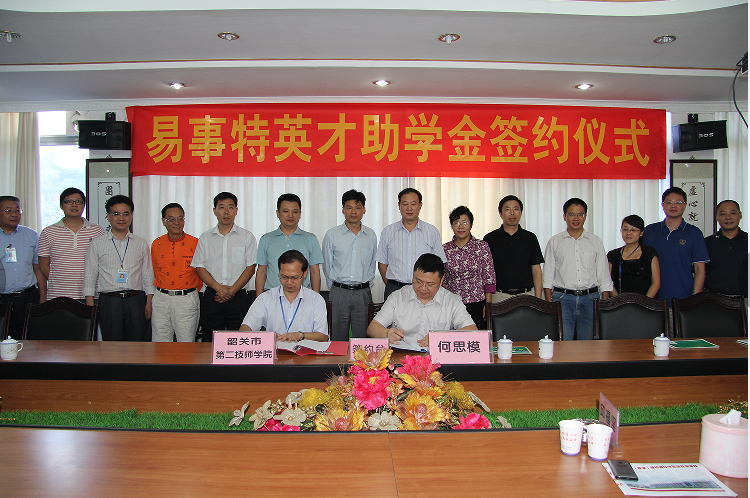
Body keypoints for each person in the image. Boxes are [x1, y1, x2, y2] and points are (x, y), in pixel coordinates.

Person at [84, 195, 155, 341]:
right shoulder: (97, 243)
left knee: (137, 344)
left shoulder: (141, 243)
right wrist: (90, 305)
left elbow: (147, 273)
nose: (121, 218)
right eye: (116, 214)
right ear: (108, 216)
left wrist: (149, 301)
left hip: (136, 300)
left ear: (131, 216)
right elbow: (90, 274)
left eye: (125, 214)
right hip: (109, 301)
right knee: (111, 345)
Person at [367, 253, 477, 347]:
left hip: (436, 358)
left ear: (441, 280)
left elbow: (472, 330)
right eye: (418, 281)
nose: (423, 288)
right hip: (402, 356)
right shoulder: (398, 297)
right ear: (413, 276)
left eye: (430, 284)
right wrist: (386, 333)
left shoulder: (452, 301)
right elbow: (372, 328)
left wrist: (441, 337)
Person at [542, 198, 612, 341]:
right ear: (564, 216)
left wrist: (603, 304)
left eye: (580, 214)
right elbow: (548, 275)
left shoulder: (595, 241)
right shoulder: (555, 241)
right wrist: (549, 302)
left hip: (590, 299)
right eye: (572, 214)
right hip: (562, 299)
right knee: (563, 342)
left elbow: (604, 275)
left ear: (585, 216)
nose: (576, 218)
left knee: (588, 344)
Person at [192, 192, 257, 342]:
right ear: (214, 211)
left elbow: (250, 268)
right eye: (221, 207)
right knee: (209, 340)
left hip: (239, 296)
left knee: (240, 340)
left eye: (230, 207)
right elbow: (199, 267)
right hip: (212, 295)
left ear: (236, 211)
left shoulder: (247, 237)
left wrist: (231, 291)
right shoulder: (205, 237)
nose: (226, 212)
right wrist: (218, 288)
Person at [321, 189, 377, 341]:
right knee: (337, 338)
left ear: (364, 210)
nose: (353, 212)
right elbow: (327, 265)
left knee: (363, 339)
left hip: (363, 293)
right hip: (339, 292)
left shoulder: (370, 235)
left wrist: (365, 286)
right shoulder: (332, 235)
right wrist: (336, 287)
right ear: (343, 210)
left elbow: (372, 264)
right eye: (349, 207)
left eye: (357, 207)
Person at [240, 250, 328, 342]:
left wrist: (301, 335)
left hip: (305, 350)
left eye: (294, 277)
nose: (289, 282)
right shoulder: (266, 298)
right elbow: (247, 327)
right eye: (284, 277)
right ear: (279, 272)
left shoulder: (316, 300)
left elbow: (323, 336)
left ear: (305, 273)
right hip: (275, 349)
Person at [376, 188, 447, 301]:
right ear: (399, 205)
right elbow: (382, 263)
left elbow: (440, 263)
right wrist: (392, 284)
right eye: (405, 204)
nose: (409, 208)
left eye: (413, 204)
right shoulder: (388, 232)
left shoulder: (432, 232)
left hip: (424, 290)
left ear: (420, 205)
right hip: (395, 289)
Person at [643, 187, 710, 302]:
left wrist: (695, 300)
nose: (673, 206)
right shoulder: (650, 231)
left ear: (685, 205)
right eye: (669, 202)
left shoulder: (694, 233)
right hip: (652, 299)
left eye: (678, 202)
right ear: (662, 205)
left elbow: (699, 269)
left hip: (684, 298)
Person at [38, 188, 104, 302]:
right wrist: (60, 281)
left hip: (92, 295)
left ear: (84, 205)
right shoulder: (48, 232)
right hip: (59, 296)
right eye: (69, 201)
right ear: (61, 206)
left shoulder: (97, 230)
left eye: (78, 201)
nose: (74, 205)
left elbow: (103, 262)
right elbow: (43, 266)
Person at [150, 203, 203, 342]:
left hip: (186, 298)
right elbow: (155, 271)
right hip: (161, 298)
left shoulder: (195, 243)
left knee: (186, 342)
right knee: (160, 342)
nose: (177, 222)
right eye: (171, 219)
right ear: (163, 221)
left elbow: (202, 272)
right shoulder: (157, 243)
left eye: (180, 218)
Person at [255, 193, 323, 295]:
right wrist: (259, 299)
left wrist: (316, 298)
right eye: (286, 211)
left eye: (295, 211)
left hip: (302, 296)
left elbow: (314, 271)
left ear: (300, 214)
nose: (290, 215)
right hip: (272, 295)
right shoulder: (266, 239)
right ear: (278, 213)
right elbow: (261, 271)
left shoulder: (310, 239)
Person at [441, 205, 496, 329]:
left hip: (477, 304)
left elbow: (489, 277)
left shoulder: (482, 246)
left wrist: (488, 304)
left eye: (465, 222)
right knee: (454, 338)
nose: (461, 226)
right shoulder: (445, 249)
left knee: (477, 338)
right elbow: (442, 279)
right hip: (452, 304)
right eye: (456, 223)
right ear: (451, 226)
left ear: (471, 224)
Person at [483, 195, 544, 301]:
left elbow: (536, 270)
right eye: (507, 209)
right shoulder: (490, 239)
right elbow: (485, 272)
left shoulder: (530, 238)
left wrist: (538, 299)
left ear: (521, 212)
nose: (512, 213)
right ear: (500, 214)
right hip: (498, 296)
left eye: (516, 209)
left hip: (526, 295)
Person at [0, 196, 43, 338]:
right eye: (8, 210)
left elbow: (38, 268)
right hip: (2, 299)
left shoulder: (31, 235)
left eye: (17, 210)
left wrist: (43, 298)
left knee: (30, 339)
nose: (14, 214)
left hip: (28, 297)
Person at [607, 215, 660, 298]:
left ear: (641, 233)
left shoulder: (649, 253)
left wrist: (644, 302)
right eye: (625, 229)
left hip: (646, 303)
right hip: (619, 303)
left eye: (633, 230)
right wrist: (619, 301)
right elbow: (607, 282)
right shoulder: (613, 255)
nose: (628, 233)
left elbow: (656, 283)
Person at [704, 200, 747, 296]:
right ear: (716, 217)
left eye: (732, 213)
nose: (728, 217)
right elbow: (699, 271)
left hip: (746, 299)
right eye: (723, 214)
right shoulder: (707, 243)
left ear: (740, 215)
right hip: (714, 299)